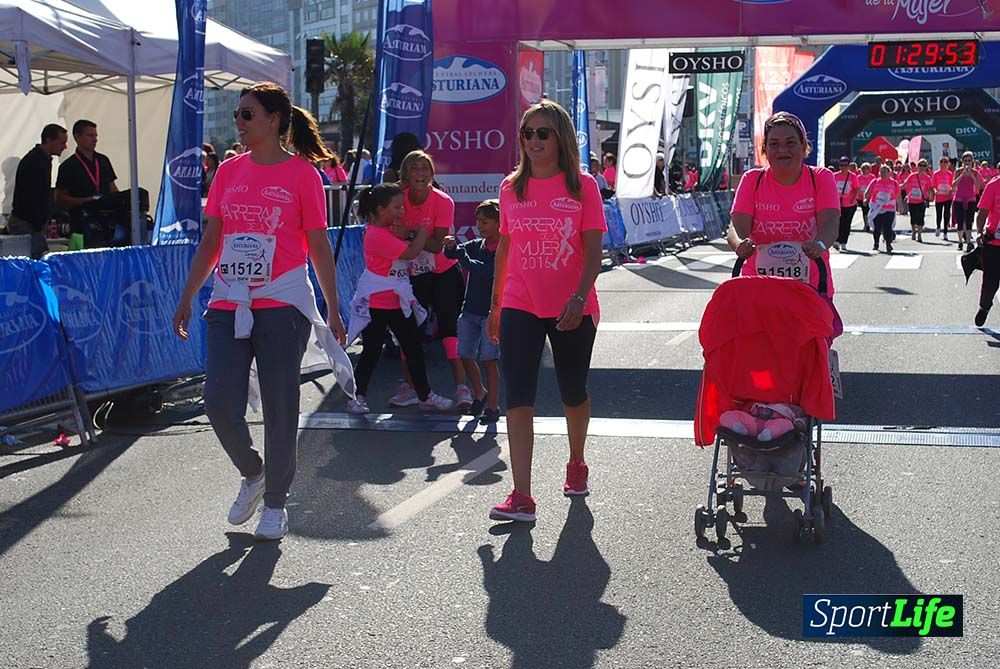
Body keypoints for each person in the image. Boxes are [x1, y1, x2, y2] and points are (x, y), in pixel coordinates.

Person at [171, 82, 351, 541]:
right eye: (238, 114)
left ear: (274, 120)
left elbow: (318, 246)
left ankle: (275, 503)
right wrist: (188, 296)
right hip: (228, 302)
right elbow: (212, 240)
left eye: (247, 114)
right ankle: (253, 473)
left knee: (279, 409)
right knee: (217, 403)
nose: (239, 121)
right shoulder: (228, 171)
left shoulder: (304, 175)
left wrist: (332, 308)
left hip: (282, 304)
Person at [487, 100, 606, 523]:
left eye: (542, 133)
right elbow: (505, 248)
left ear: (560, 137)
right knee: (518, 396)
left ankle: (576, 461)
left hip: (572, 305)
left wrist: (579, 297)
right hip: (520, 302)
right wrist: (496, 304)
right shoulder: (510, 188)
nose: (533, 141)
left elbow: (594, 251)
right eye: (527, 133)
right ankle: (522, 495)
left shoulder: (583, 186)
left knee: (572, 391)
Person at [727, 111, 842, 332]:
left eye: (790, 143)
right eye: (774, 144)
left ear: (803, 146)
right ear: (765, 149)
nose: (782, 150)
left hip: (810, 286)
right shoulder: (752, 179)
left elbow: (830, 223)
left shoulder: (820, 178)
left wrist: (819, 244)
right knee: (760, 349)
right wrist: (739, 244)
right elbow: (736, 226)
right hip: (758, 287)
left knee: (807, 349)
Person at [345, 183, 452, 414]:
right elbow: (411, 253)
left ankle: (425, 395)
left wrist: (411, 234)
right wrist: (422, 233)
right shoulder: (376, 234)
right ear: (381, 209)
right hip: (377, 303)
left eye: (402, 207)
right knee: (371, 351)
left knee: (413, 348)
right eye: (397, 207)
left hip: (397, 301)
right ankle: (356, 397)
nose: (402, 212)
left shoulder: (390, 230)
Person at [390, 150, 466, 410]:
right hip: (411, 273)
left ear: (432, 174)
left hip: (444, 271)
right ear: (406, 174)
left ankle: (462, 387)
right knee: (408, 331)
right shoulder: (397, 198)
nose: (420, 174)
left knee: (449, 330)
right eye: (415, 168)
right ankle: (410, 387)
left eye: (425, 168)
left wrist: (410, 233)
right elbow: (389, 232)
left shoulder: (443, 201)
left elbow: (436, 246)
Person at [443, 199, 502, 423]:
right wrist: (450, 247)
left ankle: (493, 406)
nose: (479, 226)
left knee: (489, 360)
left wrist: (461, 256)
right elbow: (452, 254)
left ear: (499, 223)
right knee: (464, 355)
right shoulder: (477, 245)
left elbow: (485, 271)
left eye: (485, 222)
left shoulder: (503, 250)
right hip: (469, 311)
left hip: (491, 313)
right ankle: (480, 392)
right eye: (478, 221)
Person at [9, 124, 67, 258]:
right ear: (48, 140)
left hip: (31, 223)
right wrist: (39, 223)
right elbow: (31, 197)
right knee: (31, 261)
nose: (65, 147)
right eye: (62, 142)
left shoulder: (42, 160)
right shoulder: (35, 161)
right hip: (27, 223)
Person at [55, 120, 119, 240]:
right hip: (81, 223)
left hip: (107, 222)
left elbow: (112, 187)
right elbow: (59, 198)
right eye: (90, 135)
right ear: (77, 137)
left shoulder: (103, 160)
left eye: (96, 136)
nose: (94, 139)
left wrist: (119, 201)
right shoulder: (68, 166)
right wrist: (86, 201)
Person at [974, 172, 1000, 326]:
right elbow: (982, 212)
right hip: (993, 243)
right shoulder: (993, 185)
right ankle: (984, 307)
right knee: (990, 281)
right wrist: (979, 232)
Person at [865, 164, 903, 254]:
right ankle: (876, 243)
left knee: (888, 227)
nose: (883, 174)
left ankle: (888, 244)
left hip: (889, 208)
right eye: (881, 172)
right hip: (877, 208)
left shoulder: (894, 183)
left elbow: (898, 196)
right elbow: (867, 192)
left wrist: (900, 206)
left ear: (889, 173)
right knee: (877, 227)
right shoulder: (875, 182)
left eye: (885, 172)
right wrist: (866, 197)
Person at [953, 151, 983, 253]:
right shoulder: (958, 171)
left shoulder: (975, 172)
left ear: (972, 161)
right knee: (960, 222)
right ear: (962, 161)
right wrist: (962, 175)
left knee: (969, 221)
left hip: (970, 199)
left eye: (969, 160)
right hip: (959, 199)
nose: (967, 162)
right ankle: (960, 241)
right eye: (965, 160)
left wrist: (971, 175)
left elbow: (978, 187)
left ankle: (969, 242)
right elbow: (953, 185)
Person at [833, 156, 860, 251]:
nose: (843, 167)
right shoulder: (835, 176)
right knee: (838, 223)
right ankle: (837, 240)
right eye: (841, 165)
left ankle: (843, 242)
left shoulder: (852, 176)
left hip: (849, 204)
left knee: (846, 223)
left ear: (848, 166)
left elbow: (856, 188)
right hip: (837, 204)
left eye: (845, 165)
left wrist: (853, 198)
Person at [902, 159, 932, 243]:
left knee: (921, 217)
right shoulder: (912, 176)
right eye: (920, 165)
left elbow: (930, 188)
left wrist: (930, 196)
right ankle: (914, 232)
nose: (922, 167)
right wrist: (896, 188)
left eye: (924, 166)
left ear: (926, 167)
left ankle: (919, 234)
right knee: (913, 217)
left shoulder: (927, 178)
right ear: (917, 166)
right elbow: (905, 184)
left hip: (921, 200)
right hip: (912, 200)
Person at [931, 156, 954, 239]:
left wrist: (950, 190)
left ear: (948, 164)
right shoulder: (936, 174)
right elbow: (933, 185)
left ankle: (945, 232)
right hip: (939, 197)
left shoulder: (950, 174)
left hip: (948, 197)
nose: (943, 163)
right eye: (942, 162)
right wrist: (935, 191)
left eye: (945, 162)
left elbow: (952, 185)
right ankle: (938, 227)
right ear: (939, 163)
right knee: (939, 214)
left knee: (946, 214)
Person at [857, 162, 876, 233]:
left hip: (871, 197)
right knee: (865, 211)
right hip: (861, 197)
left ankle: (871, 223)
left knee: (870, 211)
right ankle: (866, 224)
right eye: (864, 168)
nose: (865, 170)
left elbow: (875, 186)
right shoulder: (859, 177)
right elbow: (857, 187)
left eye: (867, 168)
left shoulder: (872, 177)